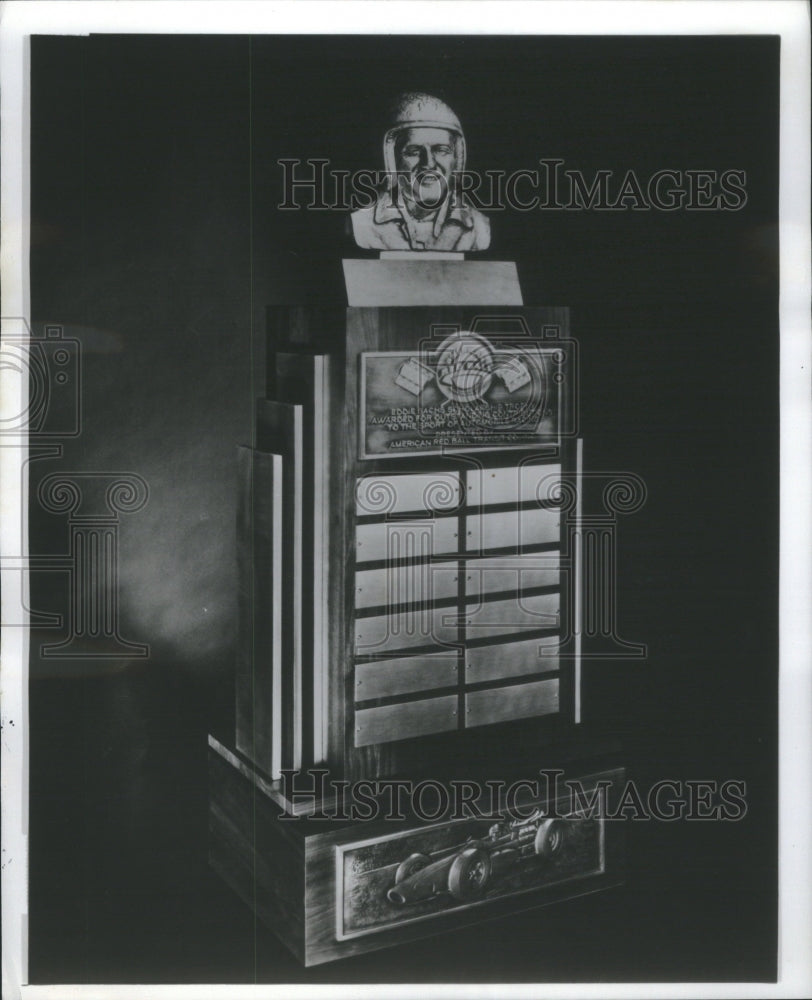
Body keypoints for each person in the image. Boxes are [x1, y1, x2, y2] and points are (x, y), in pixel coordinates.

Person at [350, 92, 490, 252]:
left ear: (457, 158)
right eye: (414, 151)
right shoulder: (363, 224)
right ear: (391, 159)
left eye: (441, 150)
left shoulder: (478, 227)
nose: (429, 163)